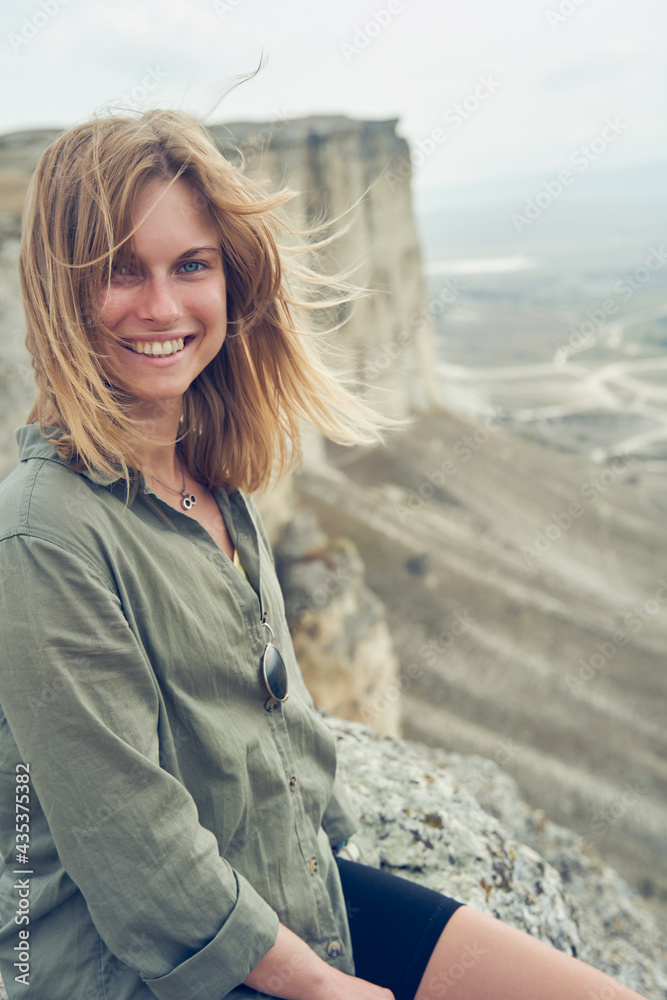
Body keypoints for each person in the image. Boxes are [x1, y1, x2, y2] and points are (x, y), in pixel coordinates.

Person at [0, 109, 650, 1000]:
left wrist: (326, 854)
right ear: (60, 292)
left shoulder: (208, 473)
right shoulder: (45, 532)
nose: (160, 306)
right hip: (143, 968)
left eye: (191, 265)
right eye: (119, 271)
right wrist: (319, 986)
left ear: (231, 280)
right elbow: (132, 845)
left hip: (286, 888)